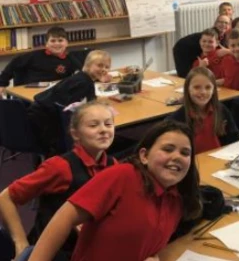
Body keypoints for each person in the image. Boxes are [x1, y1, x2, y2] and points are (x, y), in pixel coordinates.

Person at [29, 120, 202, 261]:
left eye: (185, 153)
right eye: (168, 149)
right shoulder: (124, 176)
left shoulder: (177, 199)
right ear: (144, 156)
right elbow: (64, 218)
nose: (177, 157)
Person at [0, 101, 117, 260]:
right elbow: (6, 198)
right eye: (93, 125)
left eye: (108, 124)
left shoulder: (113, 165)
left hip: (90, 247)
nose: (103, 130)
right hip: (56, 251)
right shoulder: (60, 167)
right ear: (75, 134)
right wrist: (20, 243)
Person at [27, 50, 112, 155]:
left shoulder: (80, 77)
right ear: (88, 65)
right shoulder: (85, 83)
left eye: (107, 67)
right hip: (48, 126)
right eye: (99, 65)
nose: (103, 70)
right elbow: (88, 110)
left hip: (38, 117)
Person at [168, 67, 239, 153]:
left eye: (208, 87)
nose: (203, 92)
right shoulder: (177, 119)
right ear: (187, 89)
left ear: (214, 90)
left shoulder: (221, 110)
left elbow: (235, 139)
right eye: (197, 87)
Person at [0, 27, 82, 96]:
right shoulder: (34, 56)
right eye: (53, 41)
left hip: (54, 94)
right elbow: (13, 64)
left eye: (60, 40)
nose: (57, 44)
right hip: (31, 92)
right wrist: (2, 83)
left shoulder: (70, 59)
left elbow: (83, 73)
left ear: (66, 43)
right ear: (46, 43)